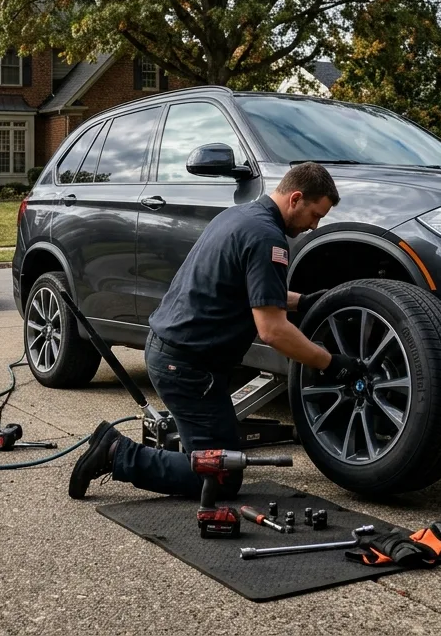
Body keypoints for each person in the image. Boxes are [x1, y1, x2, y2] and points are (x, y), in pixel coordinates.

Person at [68, 161, 367, 499]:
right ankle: (115, 453)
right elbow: (272, 331)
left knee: (210, 456)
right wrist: (331, 363)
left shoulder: (238, 217)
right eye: (315, 214)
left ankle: (147, 453)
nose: (314, 226)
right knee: (220, 477)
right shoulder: (268, 238)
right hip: (187, 368)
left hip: (174, 353)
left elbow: (246, 287)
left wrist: (304, 301)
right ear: (296, 198)